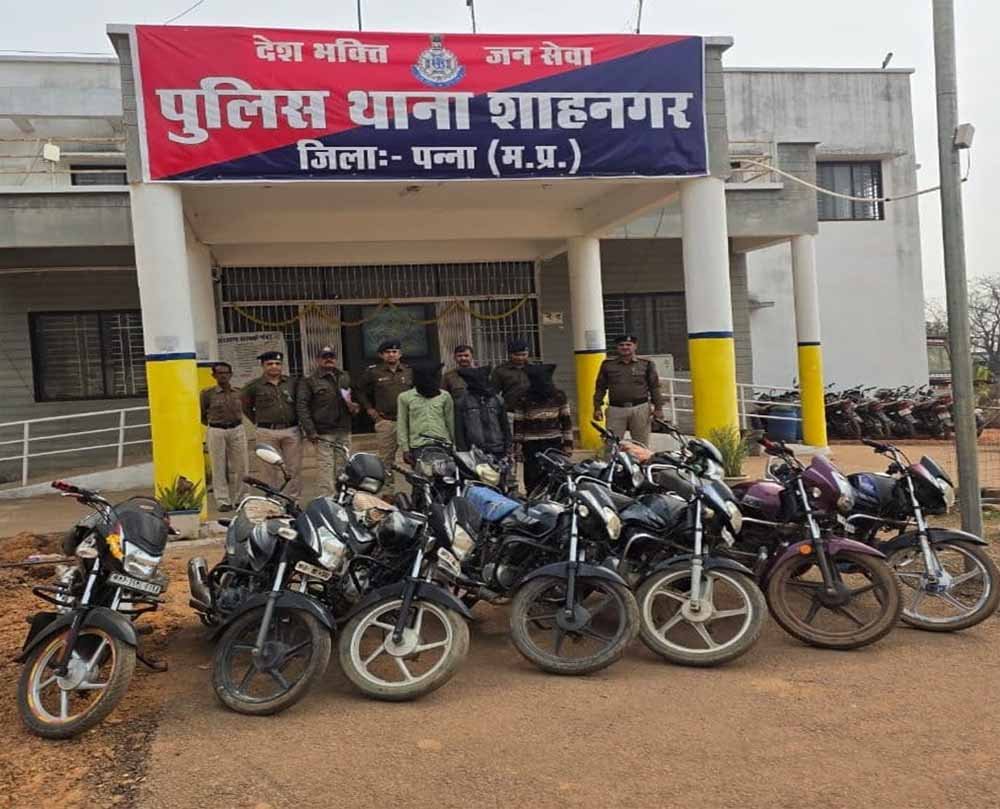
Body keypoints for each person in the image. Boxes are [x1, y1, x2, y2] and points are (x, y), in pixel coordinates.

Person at [297, 345, 359, 498]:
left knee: (343, 465)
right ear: (318, 360)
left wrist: (355, 407)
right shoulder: (310, 381)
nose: (328, 359)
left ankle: (342, 496)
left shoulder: (345, 377)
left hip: (343, 428)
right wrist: (310, 430)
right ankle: (327, 498)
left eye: (331, 356)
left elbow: (356, 397)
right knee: (326, 466)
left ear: (335, 359)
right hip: (323, 431)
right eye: (324, 357)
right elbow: (302, 406)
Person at [242, 350, 302, 497]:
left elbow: (300, 404)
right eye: (270, 364)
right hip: (266, 431)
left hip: (291, 430)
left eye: (277, 363)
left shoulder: (292, 383)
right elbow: (246, 407)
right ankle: (272, 500)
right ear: (263, 366)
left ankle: (291, 500)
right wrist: (259, 421)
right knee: (268, 469)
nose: (274, 366)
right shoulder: (254, 386)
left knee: (293, 468)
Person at [357, 340, 413, 492]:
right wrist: (369, 409)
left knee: (413, 458)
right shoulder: (373, 372)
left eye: (394, 352)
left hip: (409, 422)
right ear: (381, 355)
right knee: (385, 461)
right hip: (386, 421)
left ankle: (419, 495)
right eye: (387, 352)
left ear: (400, 354)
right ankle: (388, 494)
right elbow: (359, 390)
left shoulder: (409, 371)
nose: (391, 355)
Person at [593, 334, 664, 447]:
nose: (625, 347)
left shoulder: (646, 364)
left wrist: (658, 408)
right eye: (621, 345)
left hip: (640, 408)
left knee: (641, 445)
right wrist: (597, 407)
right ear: (617, 347)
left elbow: (654, 387)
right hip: (615, 409)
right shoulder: (608, 365)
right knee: (612, 444)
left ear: (635, 346)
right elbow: (600, 387)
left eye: (628, 344)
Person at [513, 364, 574, 495]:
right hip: (531, 444)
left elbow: (566, 422)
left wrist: (568, 444)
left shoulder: (559, 396)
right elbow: (518, 424)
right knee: (532, 477)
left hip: (554, 443)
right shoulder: (522, 397)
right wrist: (518, 447)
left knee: (556, 476)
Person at [199, 362, 248, 513]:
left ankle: (242, 498)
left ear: (231, 374)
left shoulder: (239, 392)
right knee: (218, 467)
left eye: (226, 373)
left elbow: (246, 409)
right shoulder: (207, 394)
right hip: (216, 430)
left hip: (237, 429)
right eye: (220, 373)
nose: (223, 376)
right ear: (214, 375)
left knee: (242, 466)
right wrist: (214, 425)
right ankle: (222, 501)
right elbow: (202, 414)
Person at [397, 362, 455, 464]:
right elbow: (402, 424)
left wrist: (454, 445)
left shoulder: (444, 396)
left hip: (443, 444)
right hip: (418, 445)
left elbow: (450, 421)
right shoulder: (405, 397)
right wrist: (405, 449)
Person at [454, 366, 512, 459]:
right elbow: (459, 429)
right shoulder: (463, 401)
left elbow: (505, 425)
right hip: (473, 451)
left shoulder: (497, 400)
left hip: (497, 449)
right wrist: (463, 452)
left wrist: (508, 446)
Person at [490, 338, 532, 412]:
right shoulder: (500, 370)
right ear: (510, 354)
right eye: (516, 355)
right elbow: (493, 392)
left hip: (532, 409)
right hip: (510, 410)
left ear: (528, 354)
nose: (520, 358)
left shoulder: (534, 368)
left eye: (524, 354)